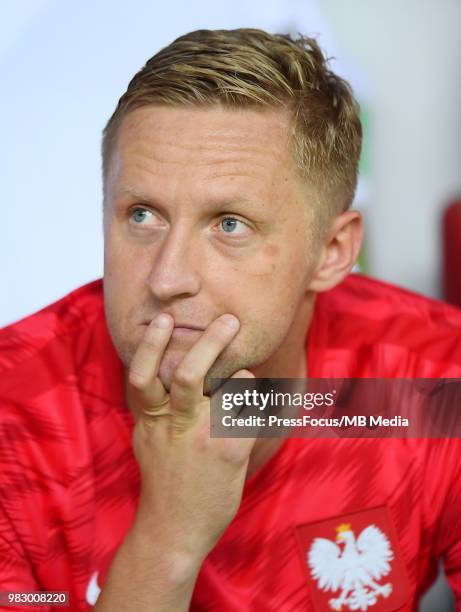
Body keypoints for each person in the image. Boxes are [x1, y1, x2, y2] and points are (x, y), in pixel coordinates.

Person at [1, 28, 461, 612]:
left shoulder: (432, 383)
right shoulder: (13, 415)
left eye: (230, 224)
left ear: (333, 251)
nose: (167, 279)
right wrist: (168, 540)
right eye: (142, 215)